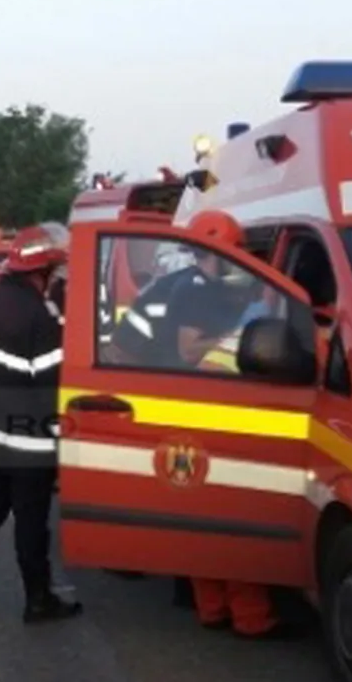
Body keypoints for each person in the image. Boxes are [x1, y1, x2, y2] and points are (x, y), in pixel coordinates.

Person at [102, 210, 296, 639]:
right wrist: (241, 335)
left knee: (197, 510)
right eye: (238, 250)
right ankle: (251, 618)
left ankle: (209, 607)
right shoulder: (200, 291)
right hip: (203, 411)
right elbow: (190, 350)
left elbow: (130, 347)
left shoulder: (176, 284)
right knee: (231, 516)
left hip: (173, 406)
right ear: (218, 251)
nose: (242, 258)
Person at [0, 224, 82, 624]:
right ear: (40, 272)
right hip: (31, 436)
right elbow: (49, 384)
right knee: (31, 520)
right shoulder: (40, 316)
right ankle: (38, 600)